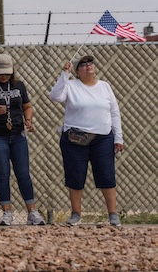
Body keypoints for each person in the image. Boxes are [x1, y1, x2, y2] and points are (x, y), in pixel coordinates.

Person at [49, 55, 124, 227]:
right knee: (75, 175)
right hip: (75, 138)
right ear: (77, 72)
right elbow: (55, 96)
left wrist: (118, 137)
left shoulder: (104, 86)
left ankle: (113, 214)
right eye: (82, 64)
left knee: (106, 174)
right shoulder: (70, 85)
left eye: (90, 63)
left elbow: (114, 112)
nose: (88, 65)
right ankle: (76, 214)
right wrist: (64, 75)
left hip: (103, 138)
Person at [0, 53, 45, 226]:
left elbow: (27, 106)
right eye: (1, 74)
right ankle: (7, 212)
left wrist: (28, 120)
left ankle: (32, 212)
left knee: (23, 173)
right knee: (3, 173)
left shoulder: (19, 85)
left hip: (18, 135)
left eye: (7, 73)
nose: (4, 76)